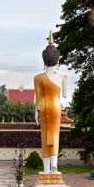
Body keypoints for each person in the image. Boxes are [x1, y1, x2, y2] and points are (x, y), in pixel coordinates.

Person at [33, 33, 69, 173]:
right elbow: (65, 95)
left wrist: (36, 111)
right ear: (57, 59)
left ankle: (46, 168)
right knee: (54, 134)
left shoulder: (37, 78)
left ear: (44, 59)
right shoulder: (62, 76)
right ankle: (54, 164)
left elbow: (38, 96)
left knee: (44, 136)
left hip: (42, 107)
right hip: (55, 107)